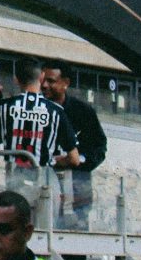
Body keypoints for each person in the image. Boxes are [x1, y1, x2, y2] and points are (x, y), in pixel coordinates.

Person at [0, 58, 71, 185]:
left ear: (16, 80)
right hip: (44, 184)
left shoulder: (4, 107)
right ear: (42, 77)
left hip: (14, 182)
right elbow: (74, 159)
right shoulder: (56, 111)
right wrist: (52, 160)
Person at [42, 64, 106, 231]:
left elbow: (99, 148)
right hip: (43, 191)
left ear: (65, 83)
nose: (44, 85)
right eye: (42, 80)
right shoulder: (36, 110)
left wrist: (76, 160)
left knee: (75, 245)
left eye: (51, 81)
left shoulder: (83, 112)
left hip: (76, 195)